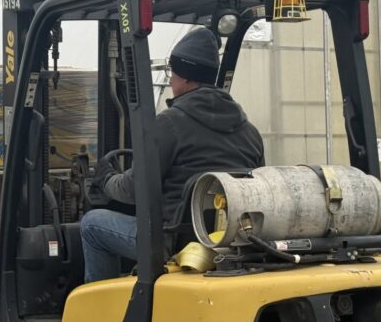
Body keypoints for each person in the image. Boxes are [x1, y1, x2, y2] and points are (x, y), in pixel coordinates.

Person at [80, 29, 264, 282]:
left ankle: (101, 302)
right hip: (230, 240)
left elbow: (135, 189)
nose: (170, 81)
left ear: (185, 77)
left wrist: (106, 180)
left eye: (172, 73)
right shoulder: (250, 132)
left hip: (173, 241)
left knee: (92, 224)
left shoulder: (168, 124)